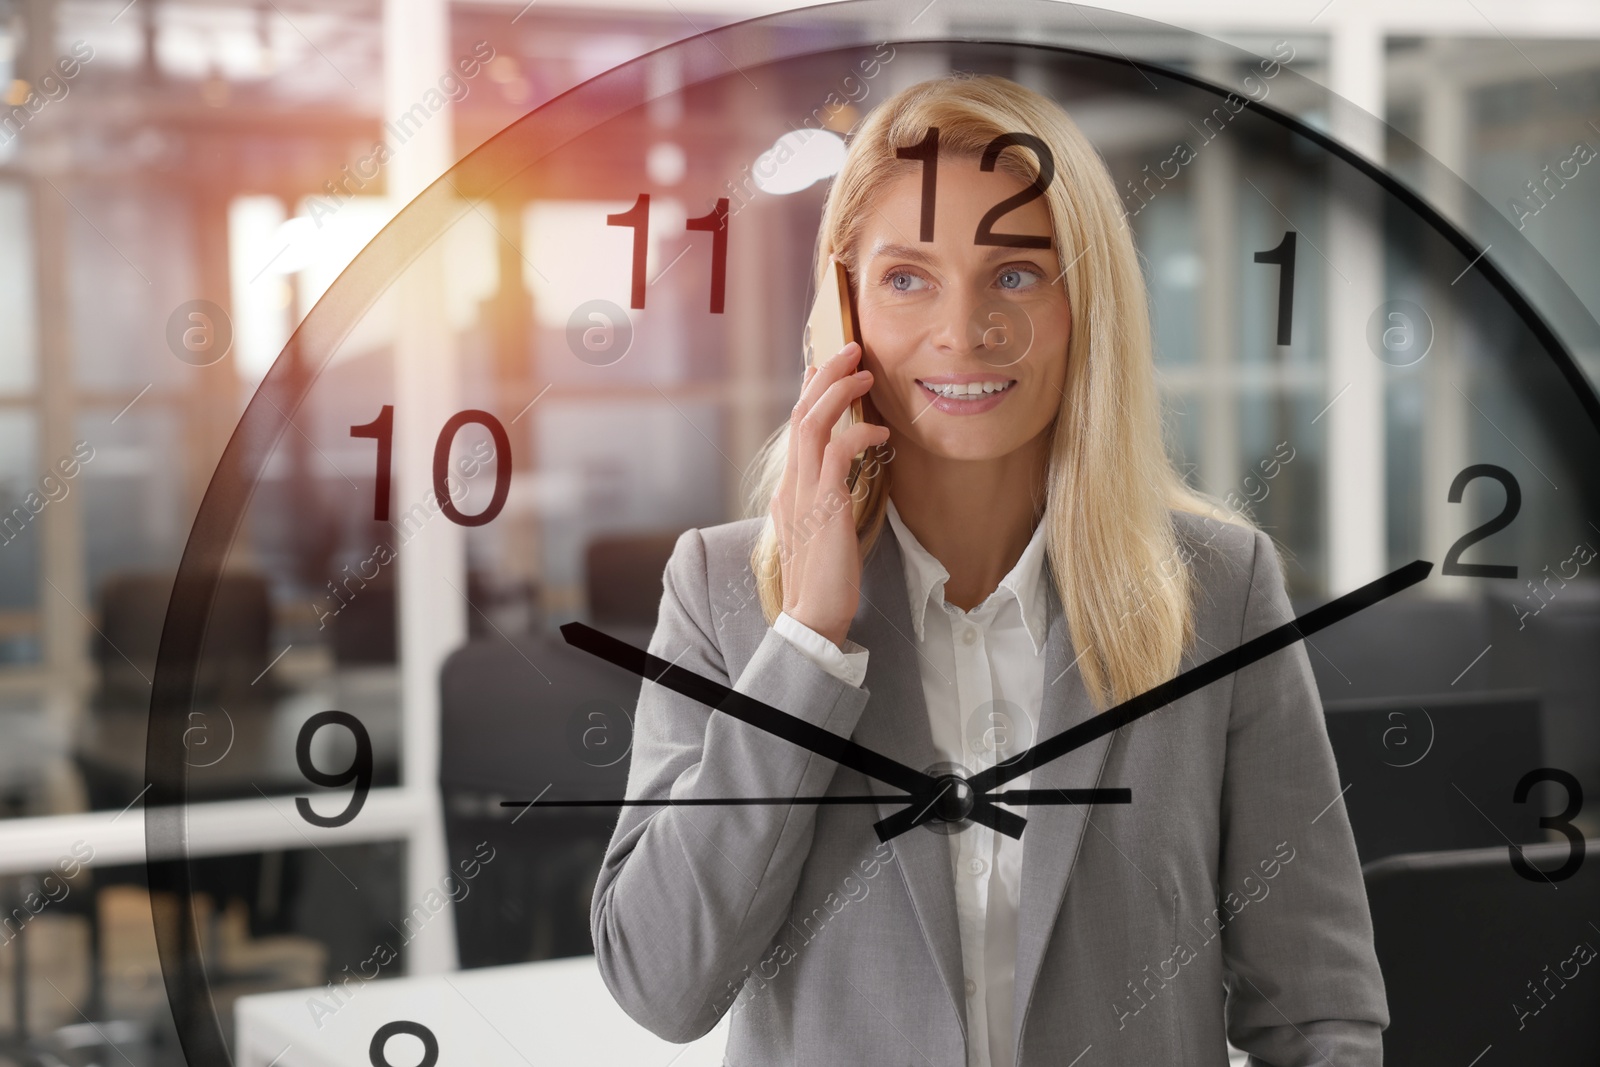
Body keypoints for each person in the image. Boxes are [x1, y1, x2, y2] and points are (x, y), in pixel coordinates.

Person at [591, 72, 1388, 1066]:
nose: (962, 329)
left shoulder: (1221, 588)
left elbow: (1319, 1011)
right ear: (845, 304)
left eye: (1015, 273)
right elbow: (661, 983)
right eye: (907, 277)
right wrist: (805, 638)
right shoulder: (717, 591)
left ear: (1083, 301)